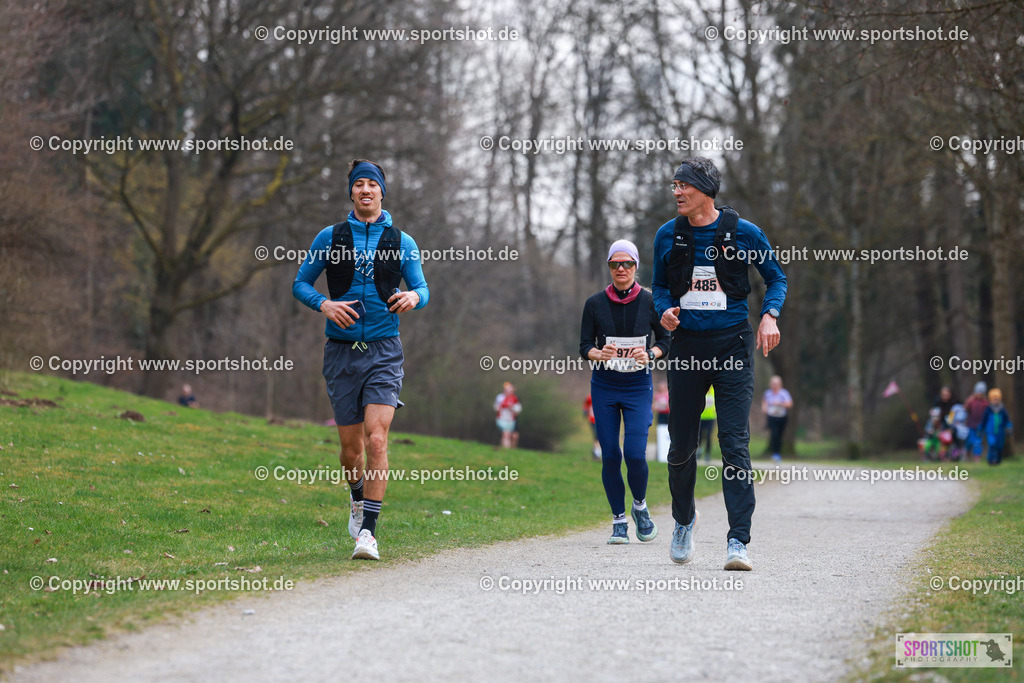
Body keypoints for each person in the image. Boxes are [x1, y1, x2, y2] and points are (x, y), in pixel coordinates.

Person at [653, 157, 787, 570]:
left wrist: (769, 314)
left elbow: (775, 278)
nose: (676, 192)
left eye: (684, 186)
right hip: (688, 347)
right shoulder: (666, 235)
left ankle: (738, 541)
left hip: (732, 345)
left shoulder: (744, 233)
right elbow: (658, 286)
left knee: (734, 444)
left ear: (705, 191)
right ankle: (683, 521)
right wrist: (664, 311)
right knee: (680, 447)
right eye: (674, 185)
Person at [292, 158, 429, 561]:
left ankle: (368, 533)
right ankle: (356, 497)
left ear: (382, 192)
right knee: (351, 450)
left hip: (385, 351)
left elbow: (422, 287)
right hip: (340, 352)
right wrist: (324, 305)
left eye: (372, 184)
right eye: (359, 184)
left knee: (377, 438)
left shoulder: (402, 241)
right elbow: (300, 283)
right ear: (351, 192)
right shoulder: (330, 237)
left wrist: (413, 297)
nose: (366, 190)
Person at [580, 239, 670, 544]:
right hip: (604, 386)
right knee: (610, 455)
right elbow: (584, 346)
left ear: (636, 266)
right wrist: (597, 354)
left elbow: (666, 340)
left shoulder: (651, 302)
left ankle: (640, 507)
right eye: (615, 264)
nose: (621, 269)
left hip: (637, 386)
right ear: (608, 267)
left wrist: (652, 354)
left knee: (634, 454)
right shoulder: (594, 304)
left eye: (627, 263)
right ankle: (619, 521)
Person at [762, 375, 793, 462]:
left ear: (780, 384)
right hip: (771, 417)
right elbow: (764, 402)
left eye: (776, 384)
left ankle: (778, 453)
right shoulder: (767, 393)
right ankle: (775, 453)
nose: (774, 385)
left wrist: (780, 403)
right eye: (773, 383)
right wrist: (764, 408)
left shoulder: (784, 393)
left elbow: (789, 404)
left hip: (782, 417)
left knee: (779, 435)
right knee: (774, 434)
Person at [981, 388, 1013, 465]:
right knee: (992, 444)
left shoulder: (1002, 410)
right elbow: (984, 420)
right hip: (990, 430)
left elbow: (1007, 420)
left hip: (1000, 431)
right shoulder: (988, 409)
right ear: (991, 400)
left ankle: (998, 460)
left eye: (997, 399)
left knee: (999, 446)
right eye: (994, 400)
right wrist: (981, 428)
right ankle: (991, 460)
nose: (995, 401)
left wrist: (1009, 427)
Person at [964, 381, 989, 462]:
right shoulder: (971, 401)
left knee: (978, 442)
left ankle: (976, 456)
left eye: (981, 392)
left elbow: (987, 412)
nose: (979, 393)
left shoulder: (985, 402)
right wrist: (968, 401)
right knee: (970, 440)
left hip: (980, 425)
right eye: (978, 391)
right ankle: (967, 453)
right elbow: (965, 409)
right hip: (971, 424)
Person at [494, 382, 522, 449]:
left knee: (507, 435)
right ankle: (507, 451)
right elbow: (496, 407)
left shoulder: (514, 399)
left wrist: (511, 408)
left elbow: (518, 410)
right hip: (501, 418)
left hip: (510, 420)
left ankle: (503, 449)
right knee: (506, 434)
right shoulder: (500, 397)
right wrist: (500, 408)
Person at [654, 381, 671, 463]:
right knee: (660, 432)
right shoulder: (657, 395)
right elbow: (654, 406)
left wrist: (662, 406)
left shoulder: (668, 394)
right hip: (660, 415)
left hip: (668, 415)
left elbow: (668, 406)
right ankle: (659, 452)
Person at [698, 387, 716, 463]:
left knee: (708, 435)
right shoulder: (702, 388)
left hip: (711, 418)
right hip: (701, 417)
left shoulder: (714, 390)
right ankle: (698, 452)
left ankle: (707, 454)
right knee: (700, 436)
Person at [583, 394, 601, 460]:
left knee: (601, 436)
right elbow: (586, 405)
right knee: (597, 435)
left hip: (602, 420)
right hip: (593, 420)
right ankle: (596, 452)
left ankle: (596, 451)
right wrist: (585, 411)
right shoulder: (590, 397)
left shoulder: (605, 395)